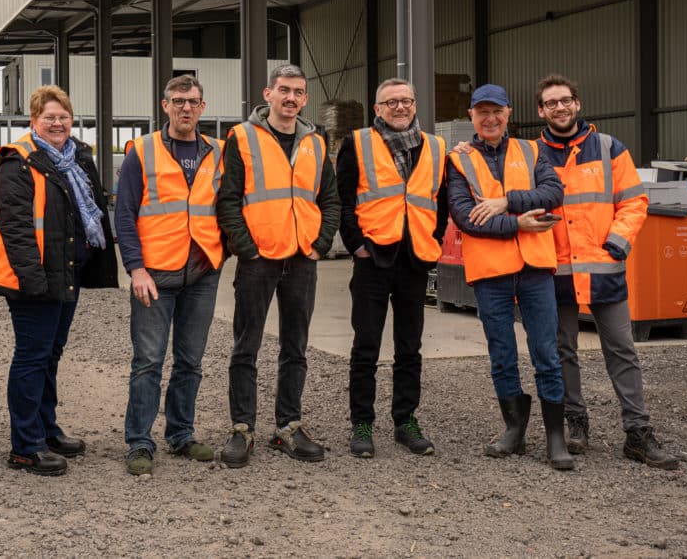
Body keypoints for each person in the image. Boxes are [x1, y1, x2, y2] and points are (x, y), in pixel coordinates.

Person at [534, 73, 678, 469]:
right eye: (551, 103)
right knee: (563, 351)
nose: (559, 107)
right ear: (540, 111)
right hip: (554, 272)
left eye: (565, 100)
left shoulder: (609, 148)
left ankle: (637, 432)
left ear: (577, 104)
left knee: (622, 349)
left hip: (604, 269)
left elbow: (634, 201)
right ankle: (574, 422)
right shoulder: (530, 155)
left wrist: (617, 243)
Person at [216, 64, 340, 467]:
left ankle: (288, 425)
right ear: (267, 94)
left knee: (295, 347)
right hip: (259, 260)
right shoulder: (242, 137)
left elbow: (330, 200)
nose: (290, 98)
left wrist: (320, 245)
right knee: (245, 346)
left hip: (302, 258)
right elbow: (228, 199)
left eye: (298, 92)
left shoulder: (316, 142)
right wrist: (247, 248)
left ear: (305, 99)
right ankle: (242, 429)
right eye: (283, 90)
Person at [446, 83, 574, 470]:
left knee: (546, 354)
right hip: (491, 274)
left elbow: (553, 193)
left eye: (496, 111)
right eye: (482, 111)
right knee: (502, 356)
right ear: (471, 115)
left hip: (535, 271)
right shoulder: (458, 161)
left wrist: (507, 202)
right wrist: (519, 222)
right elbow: (466, 217)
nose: (490, 118)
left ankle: (556, 437)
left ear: (508, 113)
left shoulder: (532, 151)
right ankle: (514, 429)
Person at [0, 85, 118, 476]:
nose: (58, 123)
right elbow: (16, 228)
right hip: (36, 280)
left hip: (67, 274)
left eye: (63, 116)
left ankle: (46, 429)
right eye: (49, 117)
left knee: (50, 355)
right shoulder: (19, 162)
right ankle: (25, 446)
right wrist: (33, 281)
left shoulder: (77, 158)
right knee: (31, 358)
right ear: (34, 122)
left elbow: (89, 214)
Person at [115, 75, 224, 476]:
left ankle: (181, 434)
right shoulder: (142, 152)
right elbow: (123, 215)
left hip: (201, 274)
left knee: (190, 361)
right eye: (178, 101)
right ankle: (139, 442)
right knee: (147, 361)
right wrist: (135, 268)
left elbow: (229, 208)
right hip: (154, 276)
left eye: (193, 101)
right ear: (165, 105)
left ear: (203, 107)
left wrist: (220, 254)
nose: (185, 108)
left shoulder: (219, 151)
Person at [336, 78, 447, 459]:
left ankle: (405, 421)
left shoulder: (434, 146)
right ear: (377, 109)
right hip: (373, 259)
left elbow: (441, 201)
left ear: (415, 105)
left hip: (414, 258)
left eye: (406, 101)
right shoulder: (358, 143)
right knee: (366, 345)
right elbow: (344, 199)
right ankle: (362, 423)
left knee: (409, 346)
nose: (399, 108)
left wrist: (433, 240)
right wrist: (357, 246)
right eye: (391, 102)